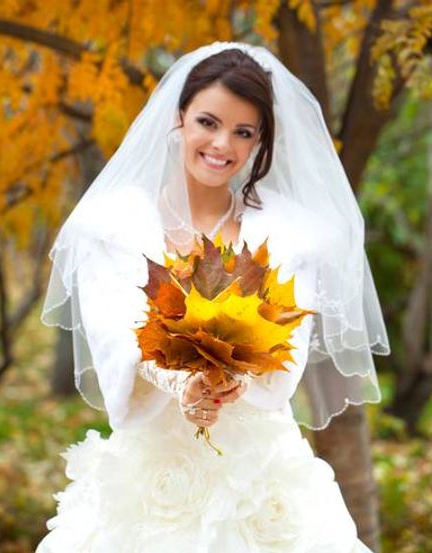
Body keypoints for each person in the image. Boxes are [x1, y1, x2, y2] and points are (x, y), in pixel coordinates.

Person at [37, 42, 390, 553]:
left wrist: (230, 382)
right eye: (208, 122)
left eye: (243, 132)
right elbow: (115, 339)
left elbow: (282, 361)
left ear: (260, 141)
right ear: (179, 117)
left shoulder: (291, 236)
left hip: (260, 477)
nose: (222, 143)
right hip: (150, 477)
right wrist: (183, 384)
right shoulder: (113, 229)